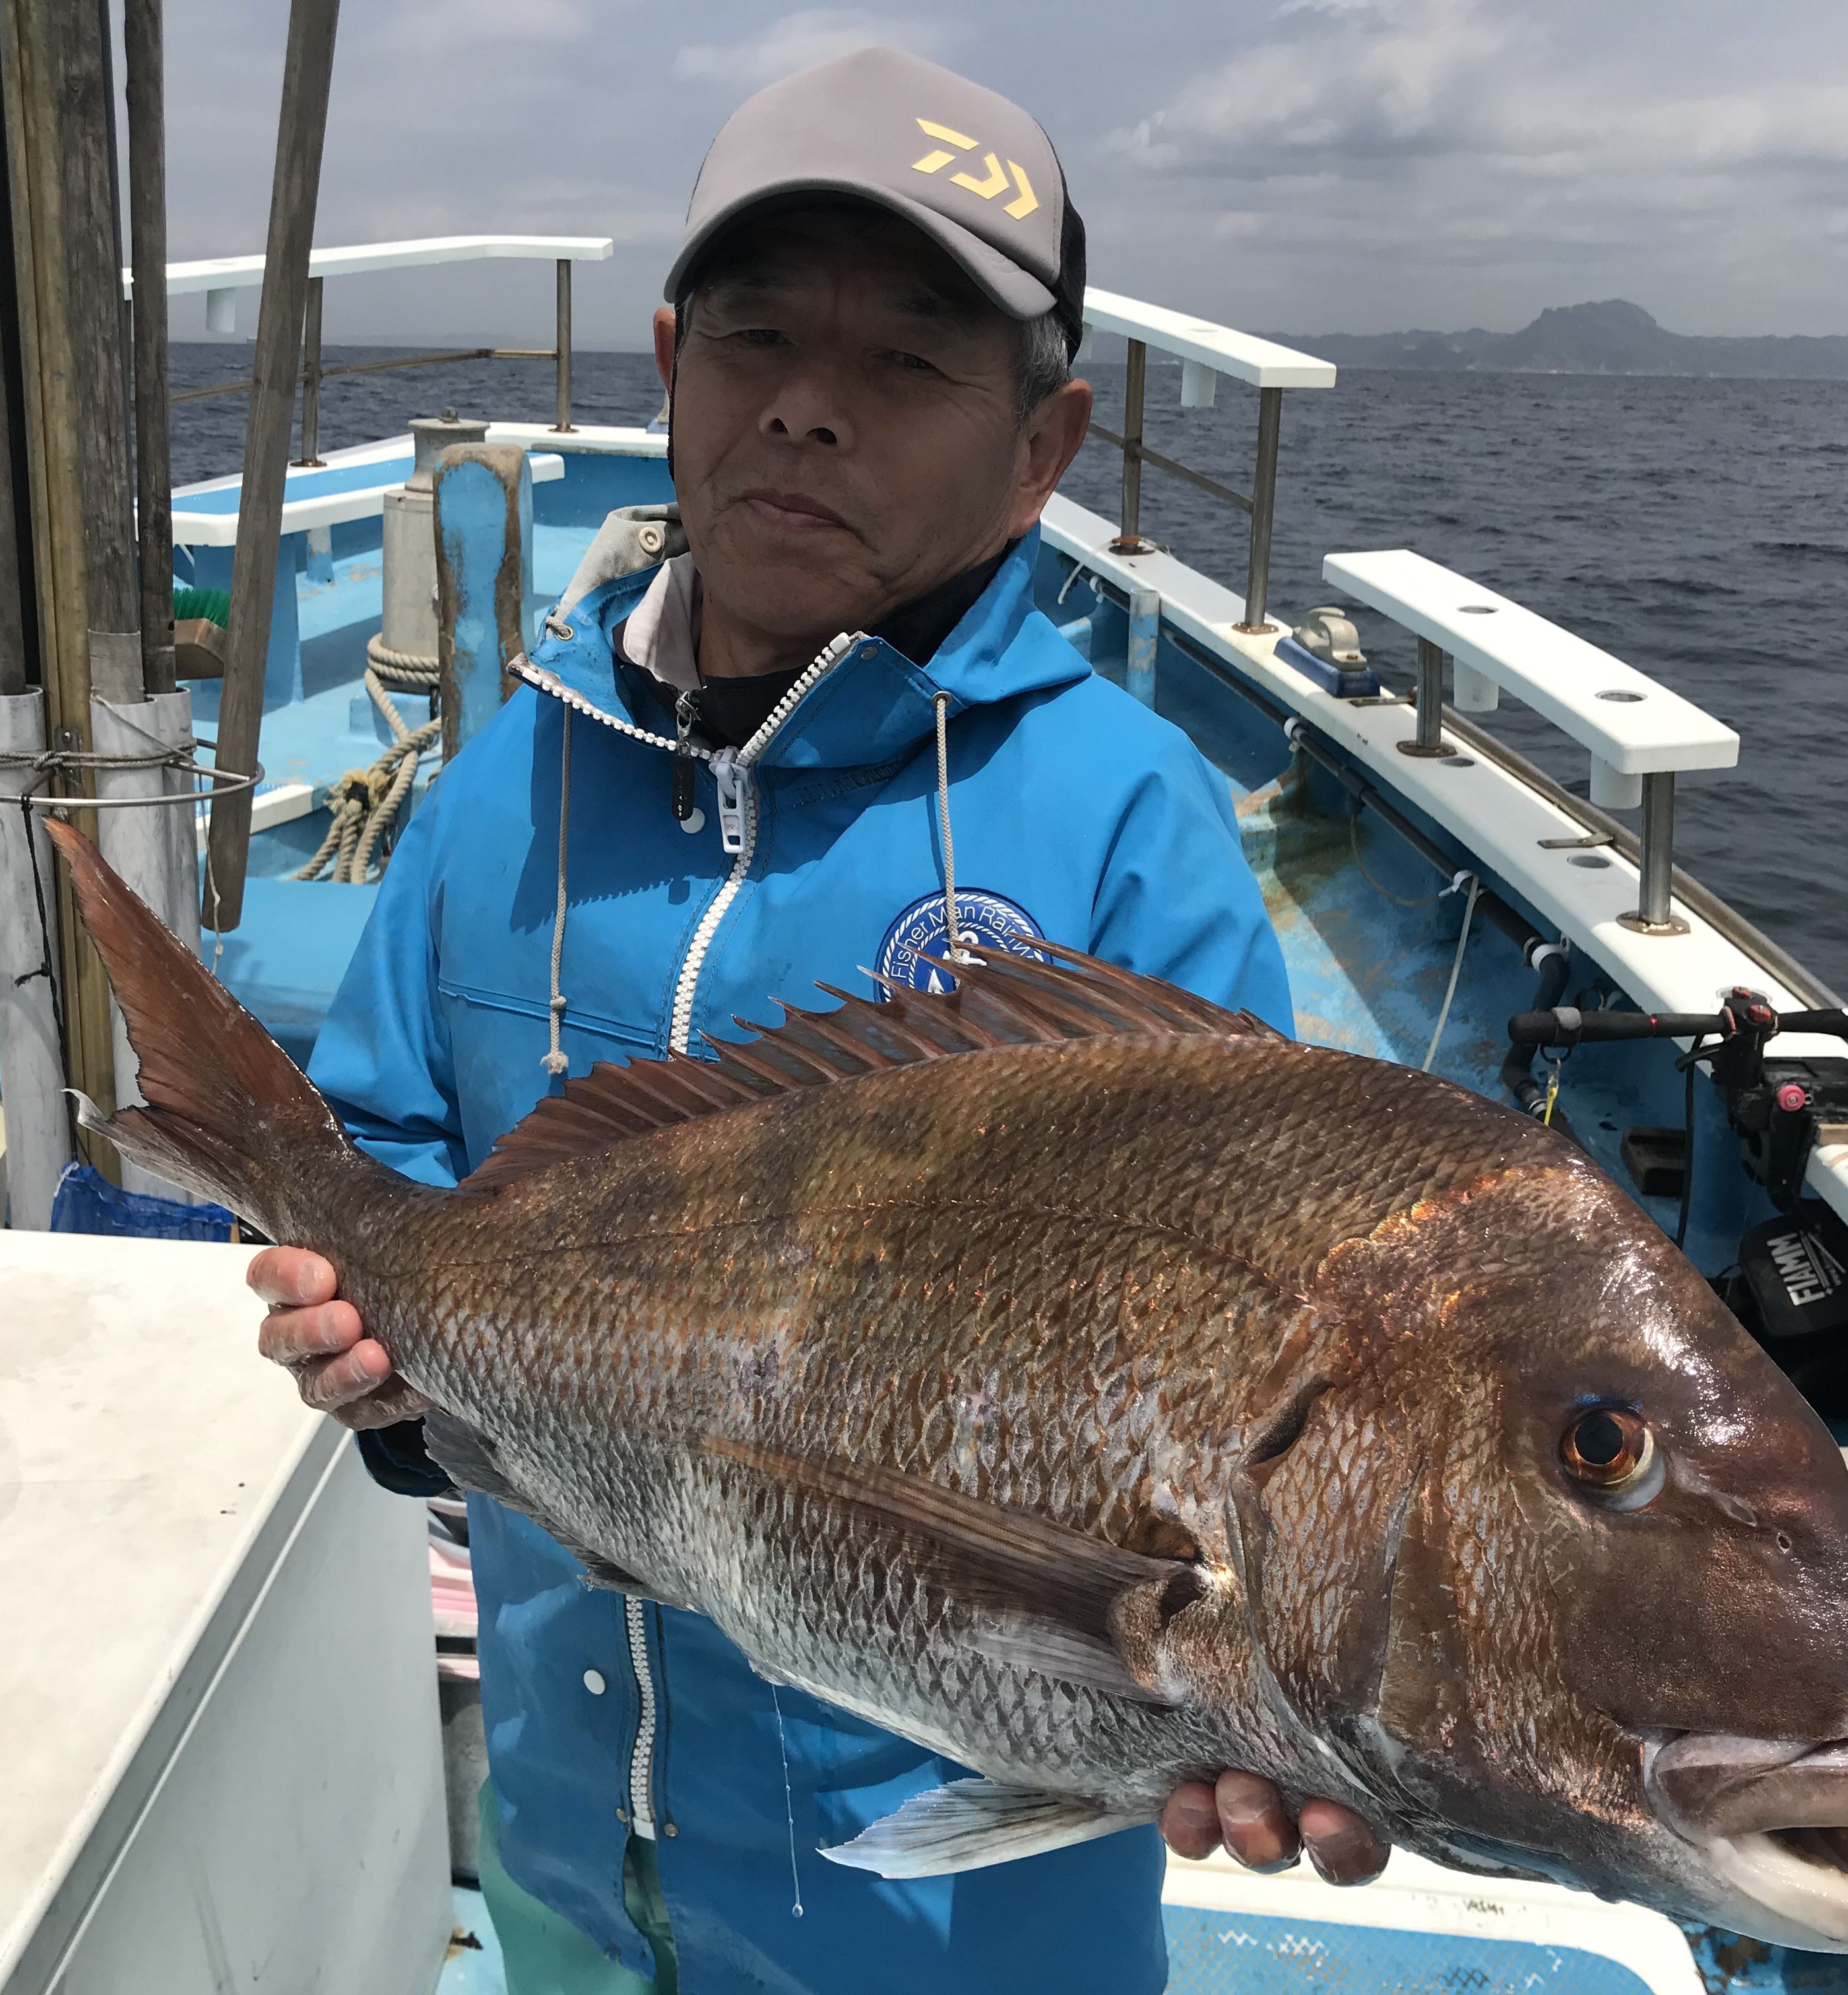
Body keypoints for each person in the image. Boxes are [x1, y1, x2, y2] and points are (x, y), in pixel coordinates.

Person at [249, 45, 1385, 1995]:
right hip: (567, 1849)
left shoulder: (1124, 822)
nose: (804, 405)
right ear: (673, 365)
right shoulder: (515, 770)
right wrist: (381, 1375)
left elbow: (1250, 1358)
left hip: (957, 1927)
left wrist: (1270, 1687)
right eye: (757, 335)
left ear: (1043, 444)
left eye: (910, 361)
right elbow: (395, 1159)